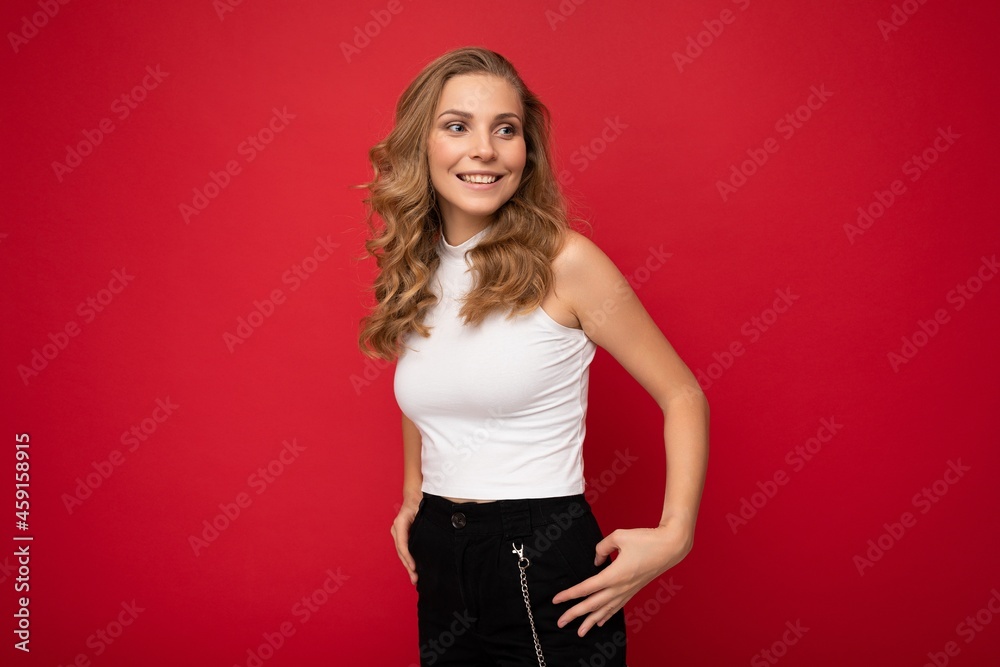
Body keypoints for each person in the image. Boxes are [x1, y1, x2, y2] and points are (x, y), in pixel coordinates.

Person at [357, 46, 709, 667]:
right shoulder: (413, 268)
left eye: (506, 130)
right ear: (422, 145)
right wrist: (415, 494)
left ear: (527, 152)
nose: (485, 150)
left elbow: (681, 394)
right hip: (441, 551)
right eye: (457, 126)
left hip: (537, 551)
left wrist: (675, 533)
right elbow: (431, 391)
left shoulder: (566, 263)